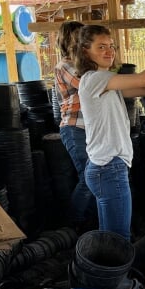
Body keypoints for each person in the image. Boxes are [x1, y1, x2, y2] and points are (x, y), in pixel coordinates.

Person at [75, 24, 145, 240]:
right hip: (109, 168)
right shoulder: (94, 79)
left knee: (110, 238)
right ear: (85, 51)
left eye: (111, 46)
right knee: (119, 238)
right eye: (101, 47)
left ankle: (105, 262)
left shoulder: (104, 80)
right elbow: (144, 79)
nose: (109, 51)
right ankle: (114, 263)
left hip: (104, 167)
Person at [53, 20, 98, 232]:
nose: (83, 41)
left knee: (95, 176)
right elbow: (88, 85)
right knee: (88, 177)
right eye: (79, 36)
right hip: (75, 127)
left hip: (90, 128)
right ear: (67, 40)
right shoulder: (65, 65)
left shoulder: (86, 67)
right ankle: (73, 224)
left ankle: (90, 224)